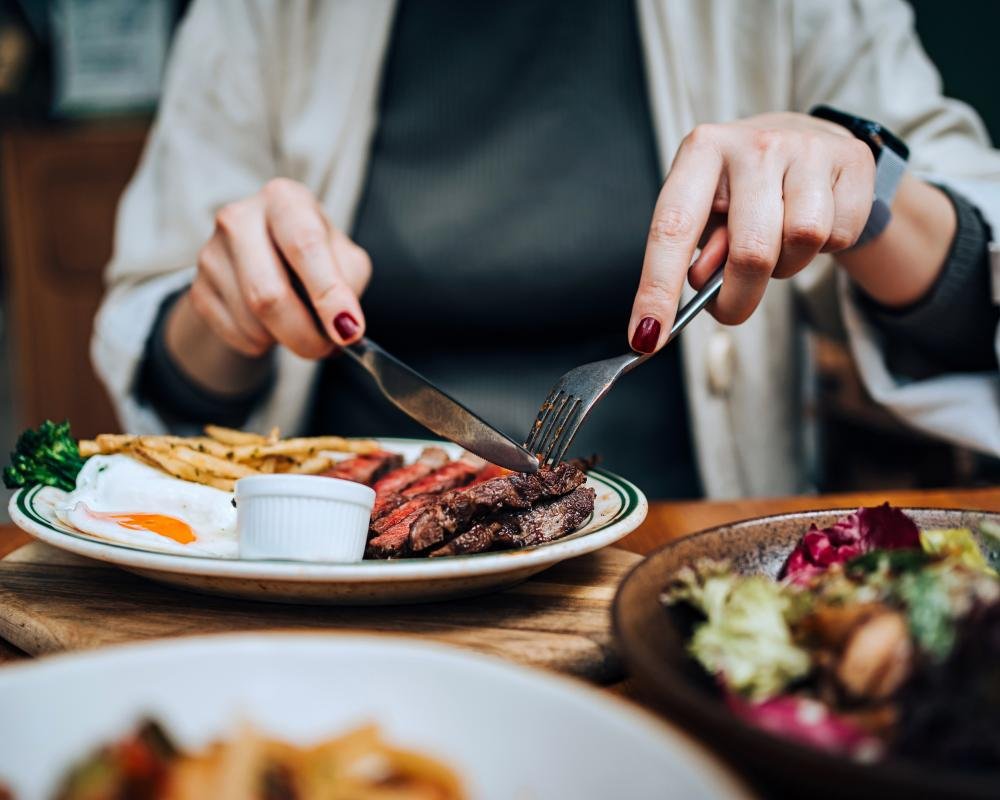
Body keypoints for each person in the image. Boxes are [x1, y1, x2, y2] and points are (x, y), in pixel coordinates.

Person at [94, 0, 1000, 499]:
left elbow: (975, 296)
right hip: (335, 577)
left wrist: (866, 190)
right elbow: (166, 371)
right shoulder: (258, 17)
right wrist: (227, 314)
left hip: (674, 567)